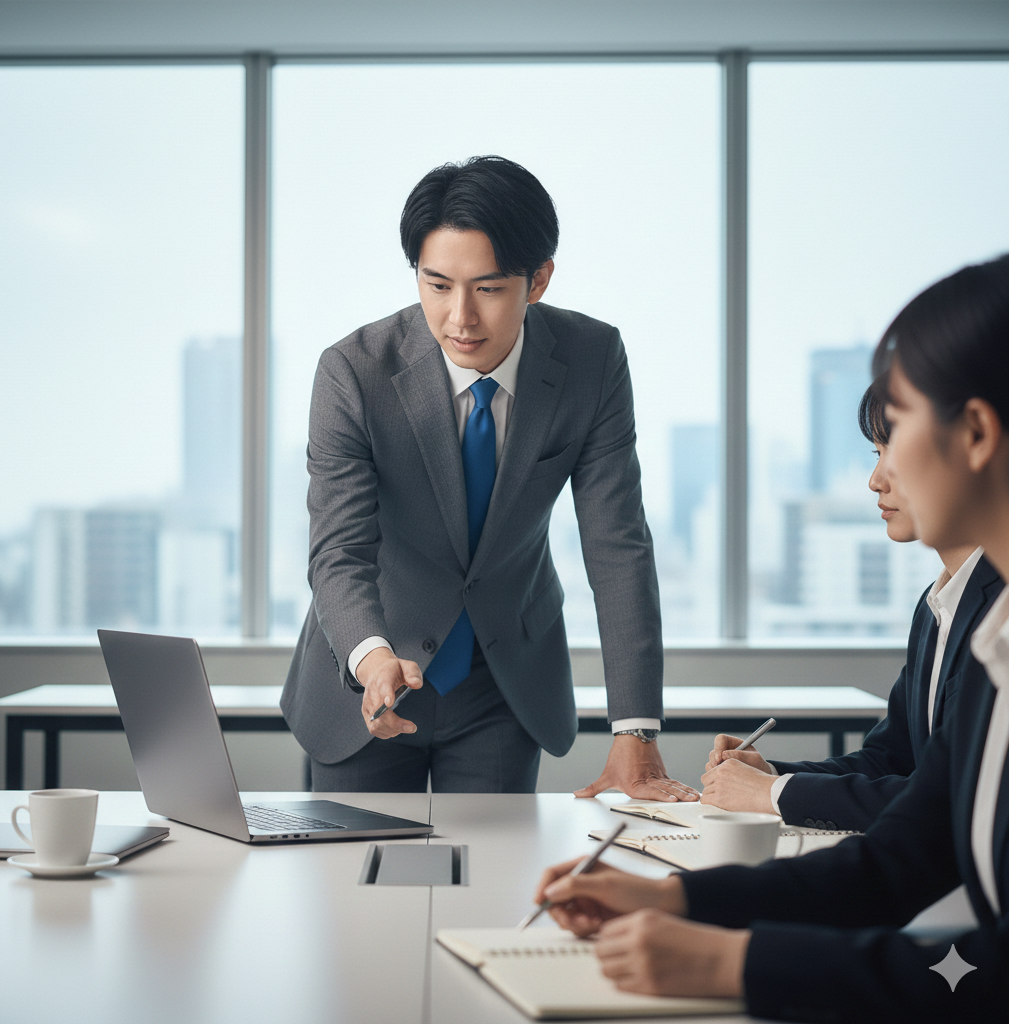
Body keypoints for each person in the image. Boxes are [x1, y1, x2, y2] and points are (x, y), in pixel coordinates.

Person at [534, 253, 1009, 1020]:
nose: (877, 472)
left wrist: (734, 964)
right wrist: (675, 899)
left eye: (897, 424)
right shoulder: (996, 649)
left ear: (977, 432)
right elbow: (896, 862)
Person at [281, 156, 698, 799]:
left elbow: (617, 545)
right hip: (370, 669)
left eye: (489, 288)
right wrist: (371, 657)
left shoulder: (591, 361)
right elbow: (339, 549)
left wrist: (635, 729)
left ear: (539, 280)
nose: (460, 318)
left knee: (495, 863)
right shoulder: (353, 373)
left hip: (502, 682)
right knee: (354, 864)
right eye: (437, 285)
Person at [701, 379, 1003, 831]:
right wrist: (772, 775)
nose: (875, 480)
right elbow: (892, 759)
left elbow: (947, 799)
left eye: (893, 454)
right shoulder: (936, 605)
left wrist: (772, 793)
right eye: (876, 454)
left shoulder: (999, 611)